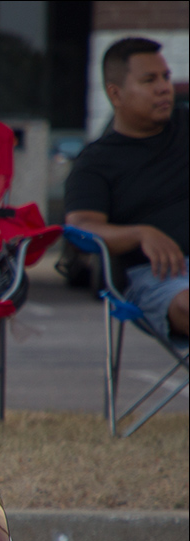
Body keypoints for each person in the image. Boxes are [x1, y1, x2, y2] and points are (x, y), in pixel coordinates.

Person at [65, 37, 188, 338]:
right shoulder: (96, 162)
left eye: (166, 77)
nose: (163, 87)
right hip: (157, 277)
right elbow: (80, 227)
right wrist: (139, 233)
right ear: (115, 94)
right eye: (149, 80)